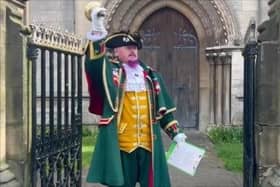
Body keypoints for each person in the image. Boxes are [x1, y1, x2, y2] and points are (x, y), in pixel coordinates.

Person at [84, 2, 187, 187]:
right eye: (127, 48)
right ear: (116, 51)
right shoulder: (111, 73)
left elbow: (163, 111)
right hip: (123, 146)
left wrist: (176, 134)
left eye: (134, 47)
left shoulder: (150, 76)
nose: (132, 51)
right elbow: (94, 65)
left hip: (149, 145)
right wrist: (98, 30)